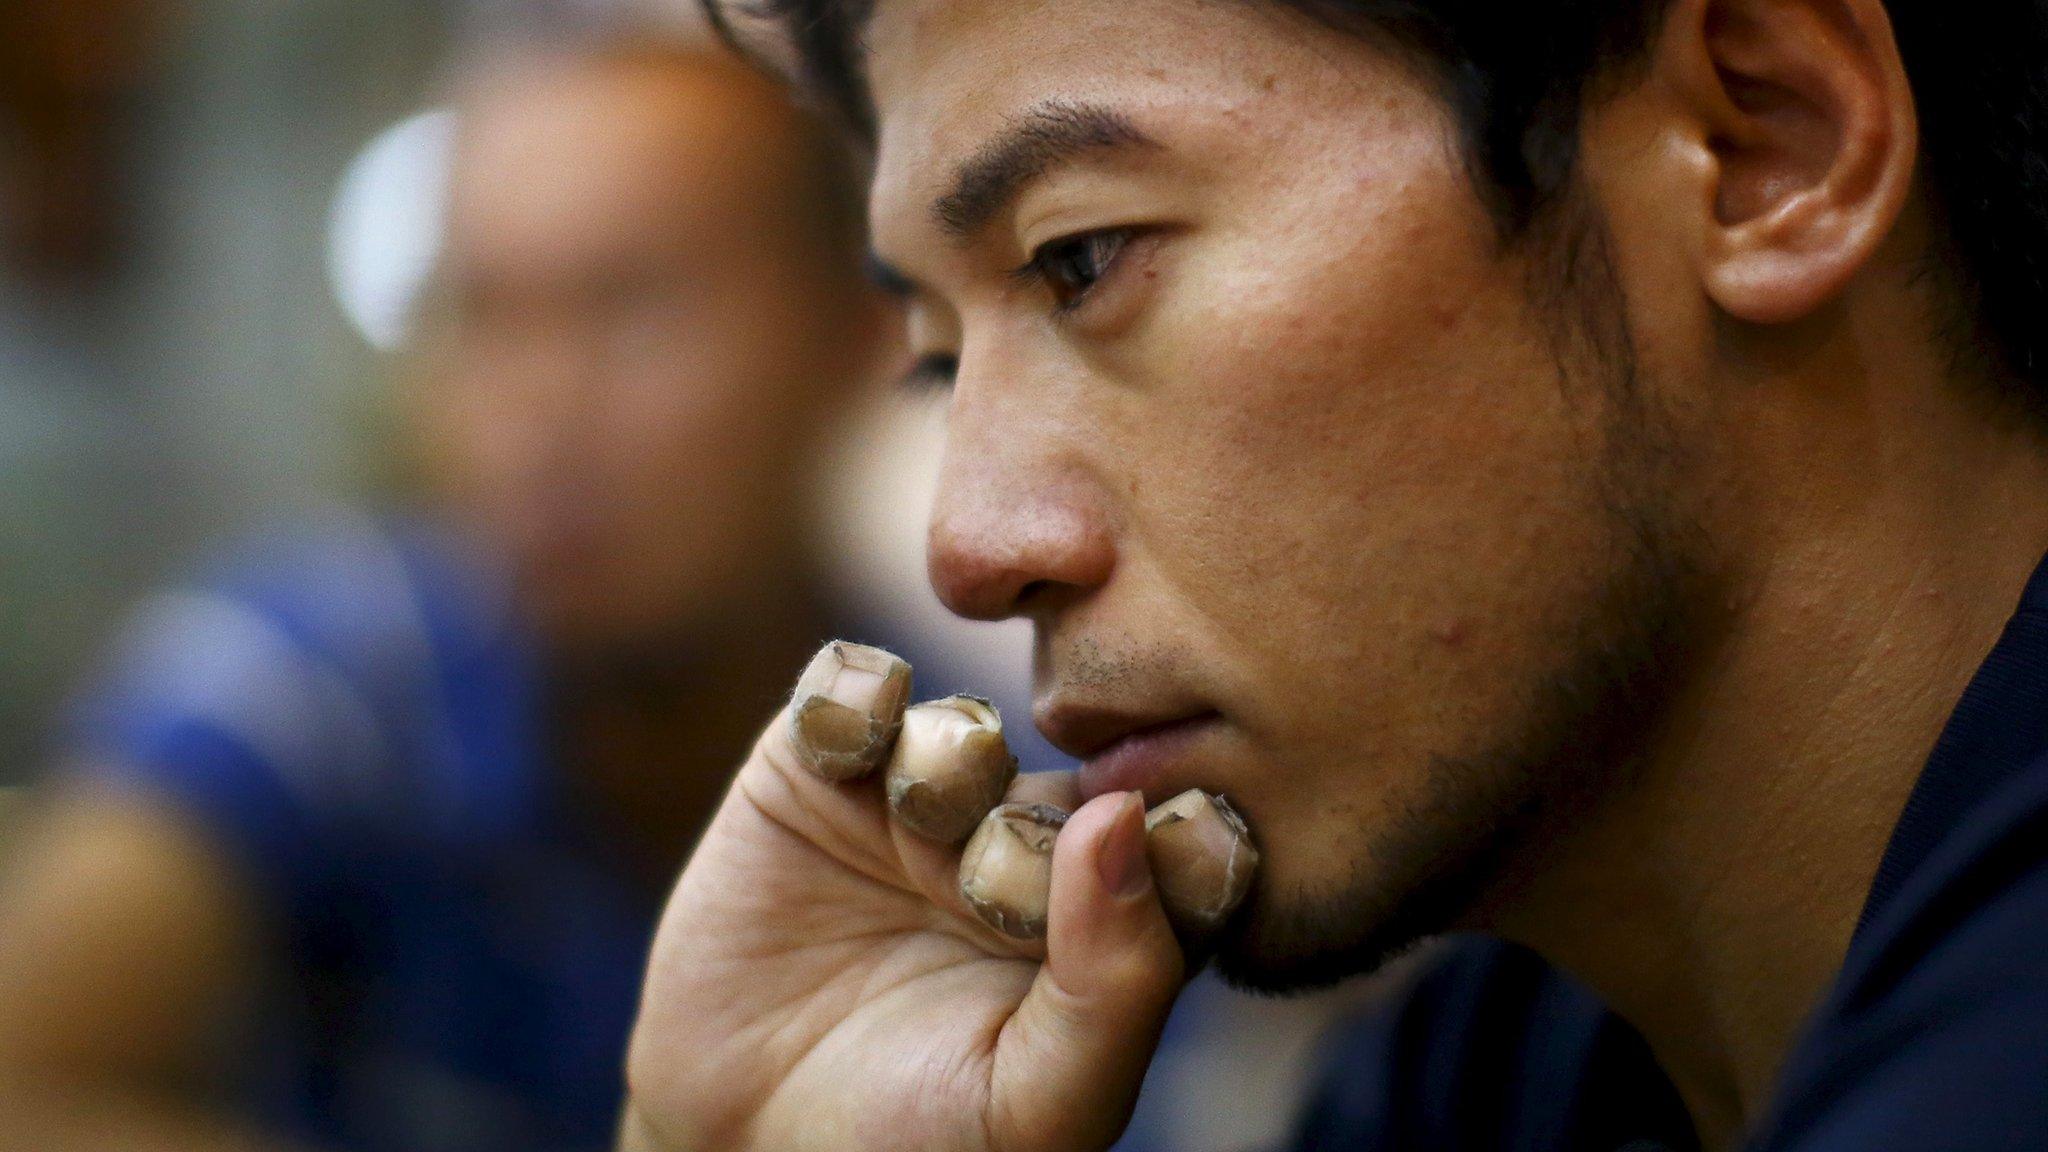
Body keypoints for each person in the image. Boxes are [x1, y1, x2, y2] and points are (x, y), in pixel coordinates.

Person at [613, 1, 2048, 1150]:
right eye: (939, 358)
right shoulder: (1490, 1073)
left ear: (1765, 144)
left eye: (1081, 258)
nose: (971, 549)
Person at [0, 39, 942, 1152]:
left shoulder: (953, 792)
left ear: (861, 333)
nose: (538, 409)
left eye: (630, 306)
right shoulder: (314, 677)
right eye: (480, 316)